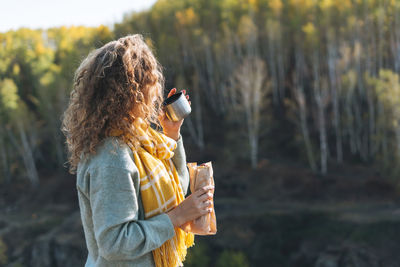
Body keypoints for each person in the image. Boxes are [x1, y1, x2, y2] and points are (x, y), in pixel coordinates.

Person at [61, 34, 214, 267]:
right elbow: (114, 243)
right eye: (151, 85)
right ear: (134, 93)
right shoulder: (112, 159)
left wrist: (172, 133)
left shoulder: (139, 142)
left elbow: (174, 190)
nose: (155, 96)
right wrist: (177, 217)